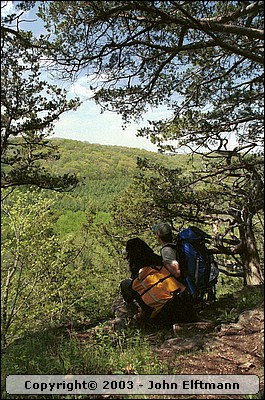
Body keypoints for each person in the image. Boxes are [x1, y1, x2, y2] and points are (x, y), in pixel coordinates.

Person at [120, 237, 197, 326]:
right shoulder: (159, 261)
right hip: (185, 302)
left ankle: (131, 311)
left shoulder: (139, 278)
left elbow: (146, 305)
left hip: (167, 315)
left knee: (125, 284)